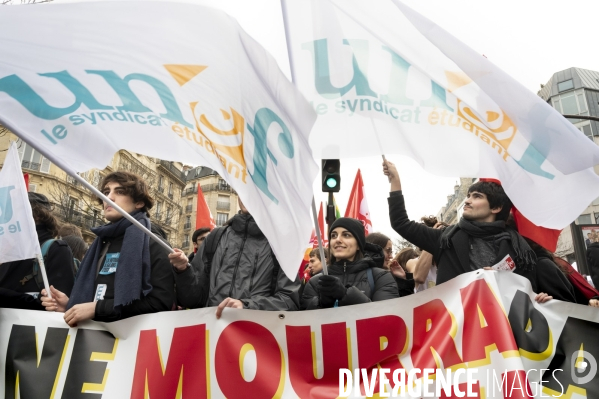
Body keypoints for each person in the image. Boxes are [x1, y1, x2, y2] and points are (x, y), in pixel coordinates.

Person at [383, 161, 551, 303]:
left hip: (502, 331)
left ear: (496, 207)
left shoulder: (519, 249)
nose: (468, 201)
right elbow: (401, 223)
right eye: (469, 195)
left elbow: (528, 292)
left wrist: (539, 298)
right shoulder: (446, 238)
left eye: (477, 196)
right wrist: (395, 181)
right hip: (458, 330)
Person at [41, 171, 175, 326]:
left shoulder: (154, 243)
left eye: (119, 192)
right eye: (105, 192)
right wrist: (70, 306)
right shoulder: (101, 242)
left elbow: (160, 302)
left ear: (139, 202)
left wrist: (97, 308)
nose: (108, 197)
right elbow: (99, 296)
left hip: (131, 344)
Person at [169, 199, 300, 317]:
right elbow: (191, 299)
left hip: (256, 337)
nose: (247, 195)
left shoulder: (282, 244)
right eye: (243, 187)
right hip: (213, 335)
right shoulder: (216, 237)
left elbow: (289, 300)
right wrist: (183, 270)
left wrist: (246, 306)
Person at [301, 218, 399, 309]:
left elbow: (385, 317)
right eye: (333, 235)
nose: (338, 240)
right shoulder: (314, 282)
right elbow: (305, 322)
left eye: (346, 235)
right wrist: (322, 304)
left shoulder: (380, 277)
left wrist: (346, 294)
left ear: (358, 245)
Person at [0, 193, 75, 310]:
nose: (8, 217)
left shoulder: (56, 250)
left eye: (15, 210)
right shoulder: (8, 250)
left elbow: (55, 306)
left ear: (37, 215)